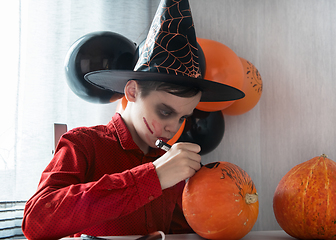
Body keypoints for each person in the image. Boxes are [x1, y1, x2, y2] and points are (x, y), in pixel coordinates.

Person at [22, 0, 244, 239]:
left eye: (183, 118)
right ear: (132, 92)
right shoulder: (83, 144)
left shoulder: (171, 164)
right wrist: (152, 177)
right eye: (165, 112)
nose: (173, 128)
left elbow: (186, 231)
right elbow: (36, 223)